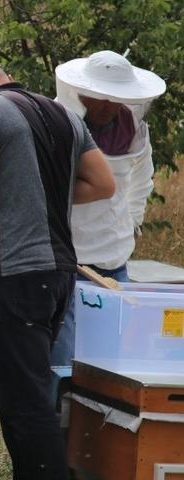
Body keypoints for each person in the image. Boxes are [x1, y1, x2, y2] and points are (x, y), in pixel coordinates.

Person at [0, 63, 115, 479]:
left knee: (24, 399)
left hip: (19, 273)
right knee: (8, 386)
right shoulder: (62, 113)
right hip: (62, 273)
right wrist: (39, 198)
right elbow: (103, 183)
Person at [50, 50, 167, 373]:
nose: (106, 106)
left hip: (114, 259)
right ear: (81, 91)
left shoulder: (136, 130)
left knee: (110, 357)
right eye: (99, 97)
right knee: (64, 356)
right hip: (65, 257)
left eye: (114, 98)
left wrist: (132, 224)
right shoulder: (57, 121)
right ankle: (58, 422)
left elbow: (141, 181)